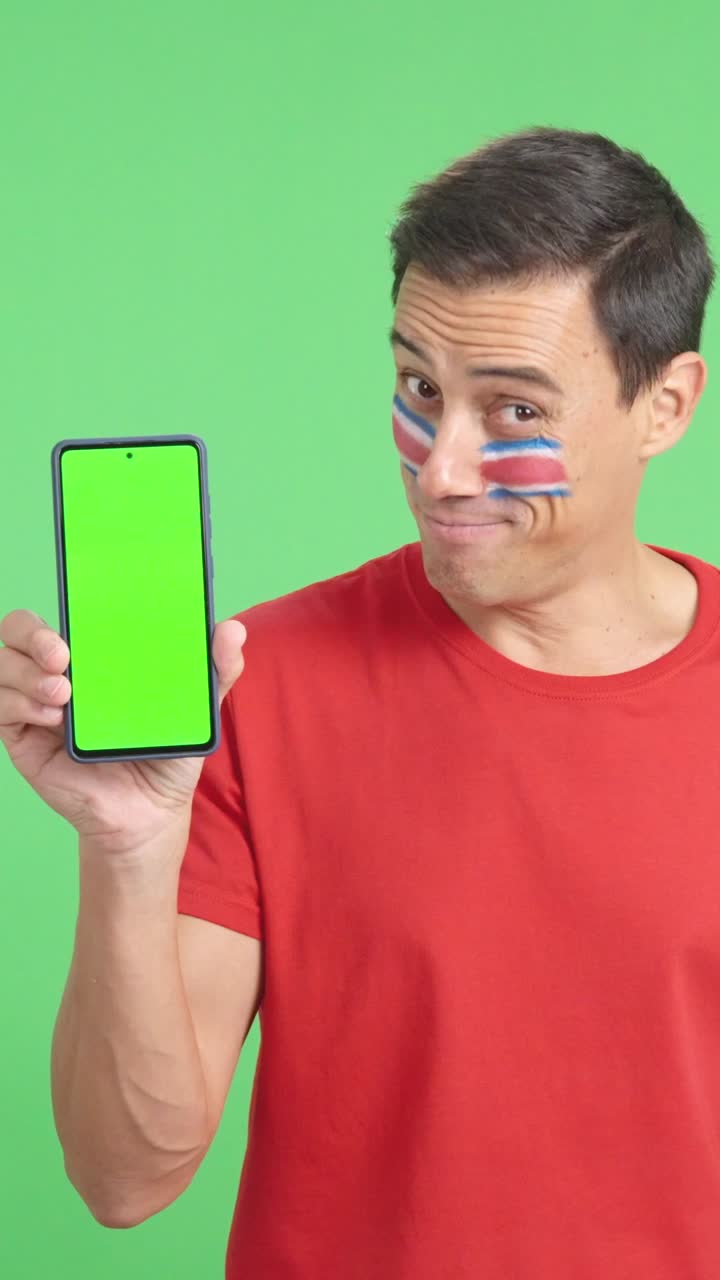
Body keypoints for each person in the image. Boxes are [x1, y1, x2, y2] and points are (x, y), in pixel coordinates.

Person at [1, 124, 718, 1279]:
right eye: (419, 389)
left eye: (516, 411)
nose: (439, 467)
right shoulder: (258, 684)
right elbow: (125, 1178)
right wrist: (128, 845)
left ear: (666, 403)